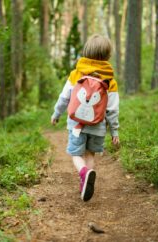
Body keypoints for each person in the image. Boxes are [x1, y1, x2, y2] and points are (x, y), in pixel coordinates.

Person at [51, 34, 120, 202]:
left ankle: (83, 173)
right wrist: (114, 131)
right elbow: (112, 109)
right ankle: (87, 178)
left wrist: (56, 113)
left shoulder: (76, 73)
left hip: (76, 125)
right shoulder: (110, 80)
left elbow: (64, 97)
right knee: (90, 154)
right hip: (98, 126)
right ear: (107, 56)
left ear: (86, 52)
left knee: (76, 154)